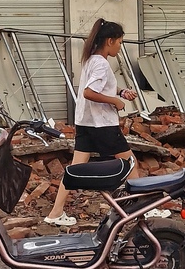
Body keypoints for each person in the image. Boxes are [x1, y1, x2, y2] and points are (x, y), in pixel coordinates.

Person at [44, 18, 139, 226]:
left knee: (74, 170)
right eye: (120, 42)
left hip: (85, 123)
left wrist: (122, 91)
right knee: (132, 164)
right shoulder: (102, 64)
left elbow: (98, 87)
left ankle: (55, 213)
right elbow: (89, 92)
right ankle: (143, 210)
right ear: (110, 41)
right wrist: (115, 101)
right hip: (102, 125)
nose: (120, 47)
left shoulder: (91, 60)